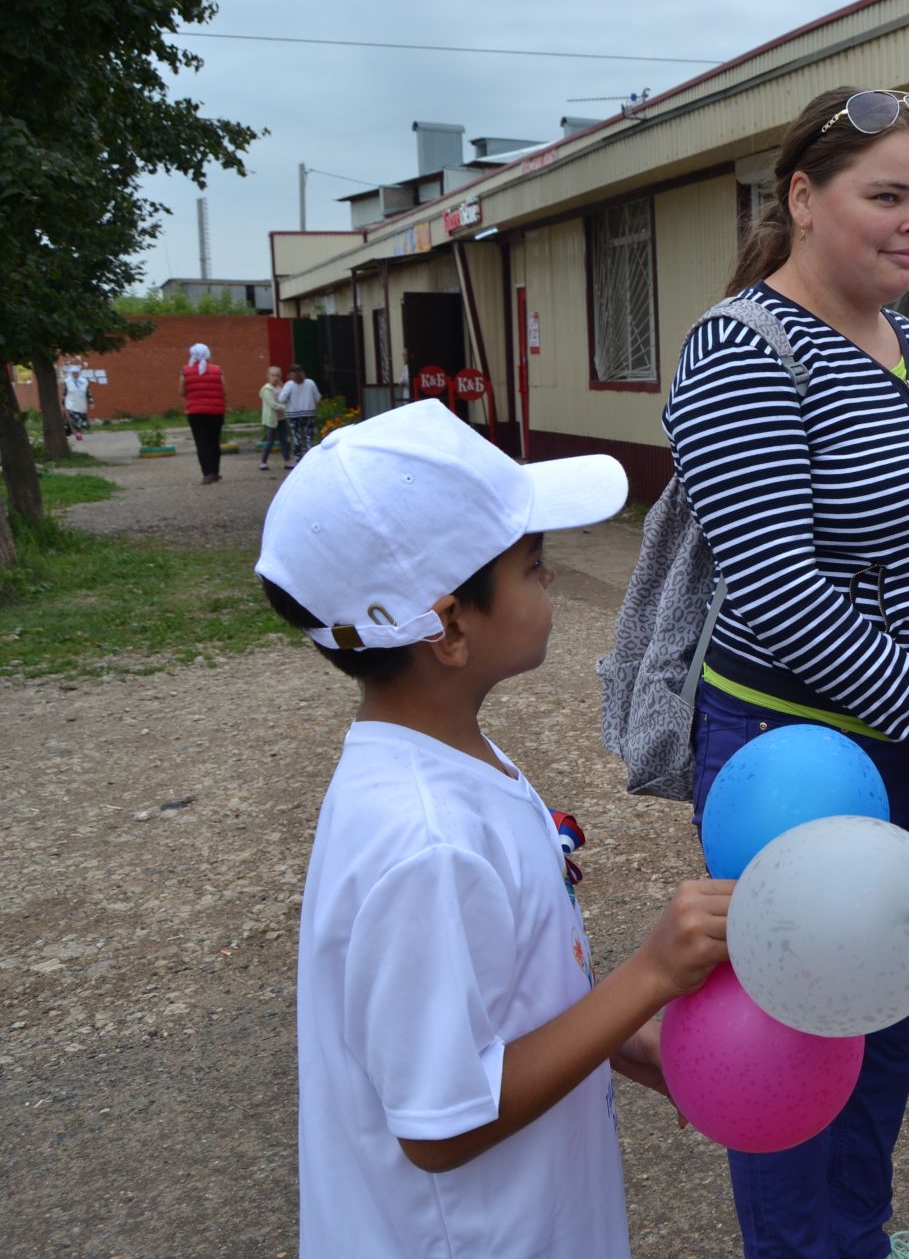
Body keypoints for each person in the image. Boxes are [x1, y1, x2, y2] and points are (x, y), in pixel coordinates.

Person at [661, 85, 909, 1259]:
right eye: (887, 195)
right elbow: (776, 582)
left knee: (886, 1013)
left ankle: (857, 1234)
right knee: (792, 1032)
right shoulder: (740, 350)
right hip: (802, 756)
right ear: (801, 198)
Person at [255, 401, 733, 1256]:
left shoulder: (440, 756)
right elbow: (439, 1128)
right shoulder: (426, 841)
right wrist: (651, 975)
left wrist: (624, 1042)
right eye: (534, 564)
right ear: (447, 625)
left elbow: (492, 995)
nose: (550, 581)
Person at [178, 342, 226, 484]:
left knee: (202, 443)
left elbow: (181, 392)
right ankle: (216, 472)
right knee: (214, 442)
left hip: (195, 412)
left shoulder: (185, 371)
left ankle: (207, 474)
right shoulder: (218, 370)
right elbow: (224, 390)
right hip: (216, 412)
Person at [277, 363, 322, 462]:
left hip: (293, 414)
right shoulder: (310, 383)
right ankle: (311, 456)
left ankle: (298, 457)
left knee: (296, 436)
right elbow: (318, 397)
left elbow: (281, 399)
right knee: (309, 436)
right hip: (309, 413)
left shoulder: (289, 384)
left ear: (290, 374)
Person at [258, 364, 290, 471]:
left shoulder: (281, 388)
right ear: (268, 376)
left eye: (277, 375)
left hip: (282, 418)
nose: (275, 378)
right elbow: (272, 404)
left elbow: (285, 398)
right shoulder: (266, 389)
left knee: (284, 440)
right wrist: (286, 408)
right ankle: (263, 461)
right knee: (270, 441)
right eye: (272, 375)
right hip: (272, 419)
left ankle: (287, 460)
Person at [61, 363, 90, 440]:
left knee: (80, 420)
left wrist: (91, 401)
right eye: (73, 373)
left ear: (79, 373)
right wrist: (63, 405)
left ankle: (78, 432)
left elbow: (88, 392)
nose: (75, 374)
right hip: (70, 404)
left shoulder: (84, 381)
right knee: (76, 418)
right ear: (71, 373)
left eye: (76, 373)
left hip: (81, 404)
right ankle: (78, 433)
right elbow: (64, 393)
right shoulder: (67, 382)